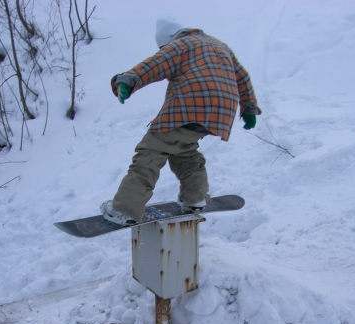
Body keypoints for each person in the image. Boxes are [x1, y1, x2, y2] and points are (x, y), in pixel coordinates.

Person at [100, 17, 262, 225]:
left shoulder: (180, 45)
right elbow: (243, 78)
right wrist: (249, 108)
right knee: (184, 149)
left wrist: (128, 80)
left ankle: (124, 209)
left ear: (167, 41)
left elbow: (155, 64)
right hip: (220, 111)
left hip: (190, 105)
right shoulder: (220, 46)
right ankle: (195, 199)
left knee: (151, 153)